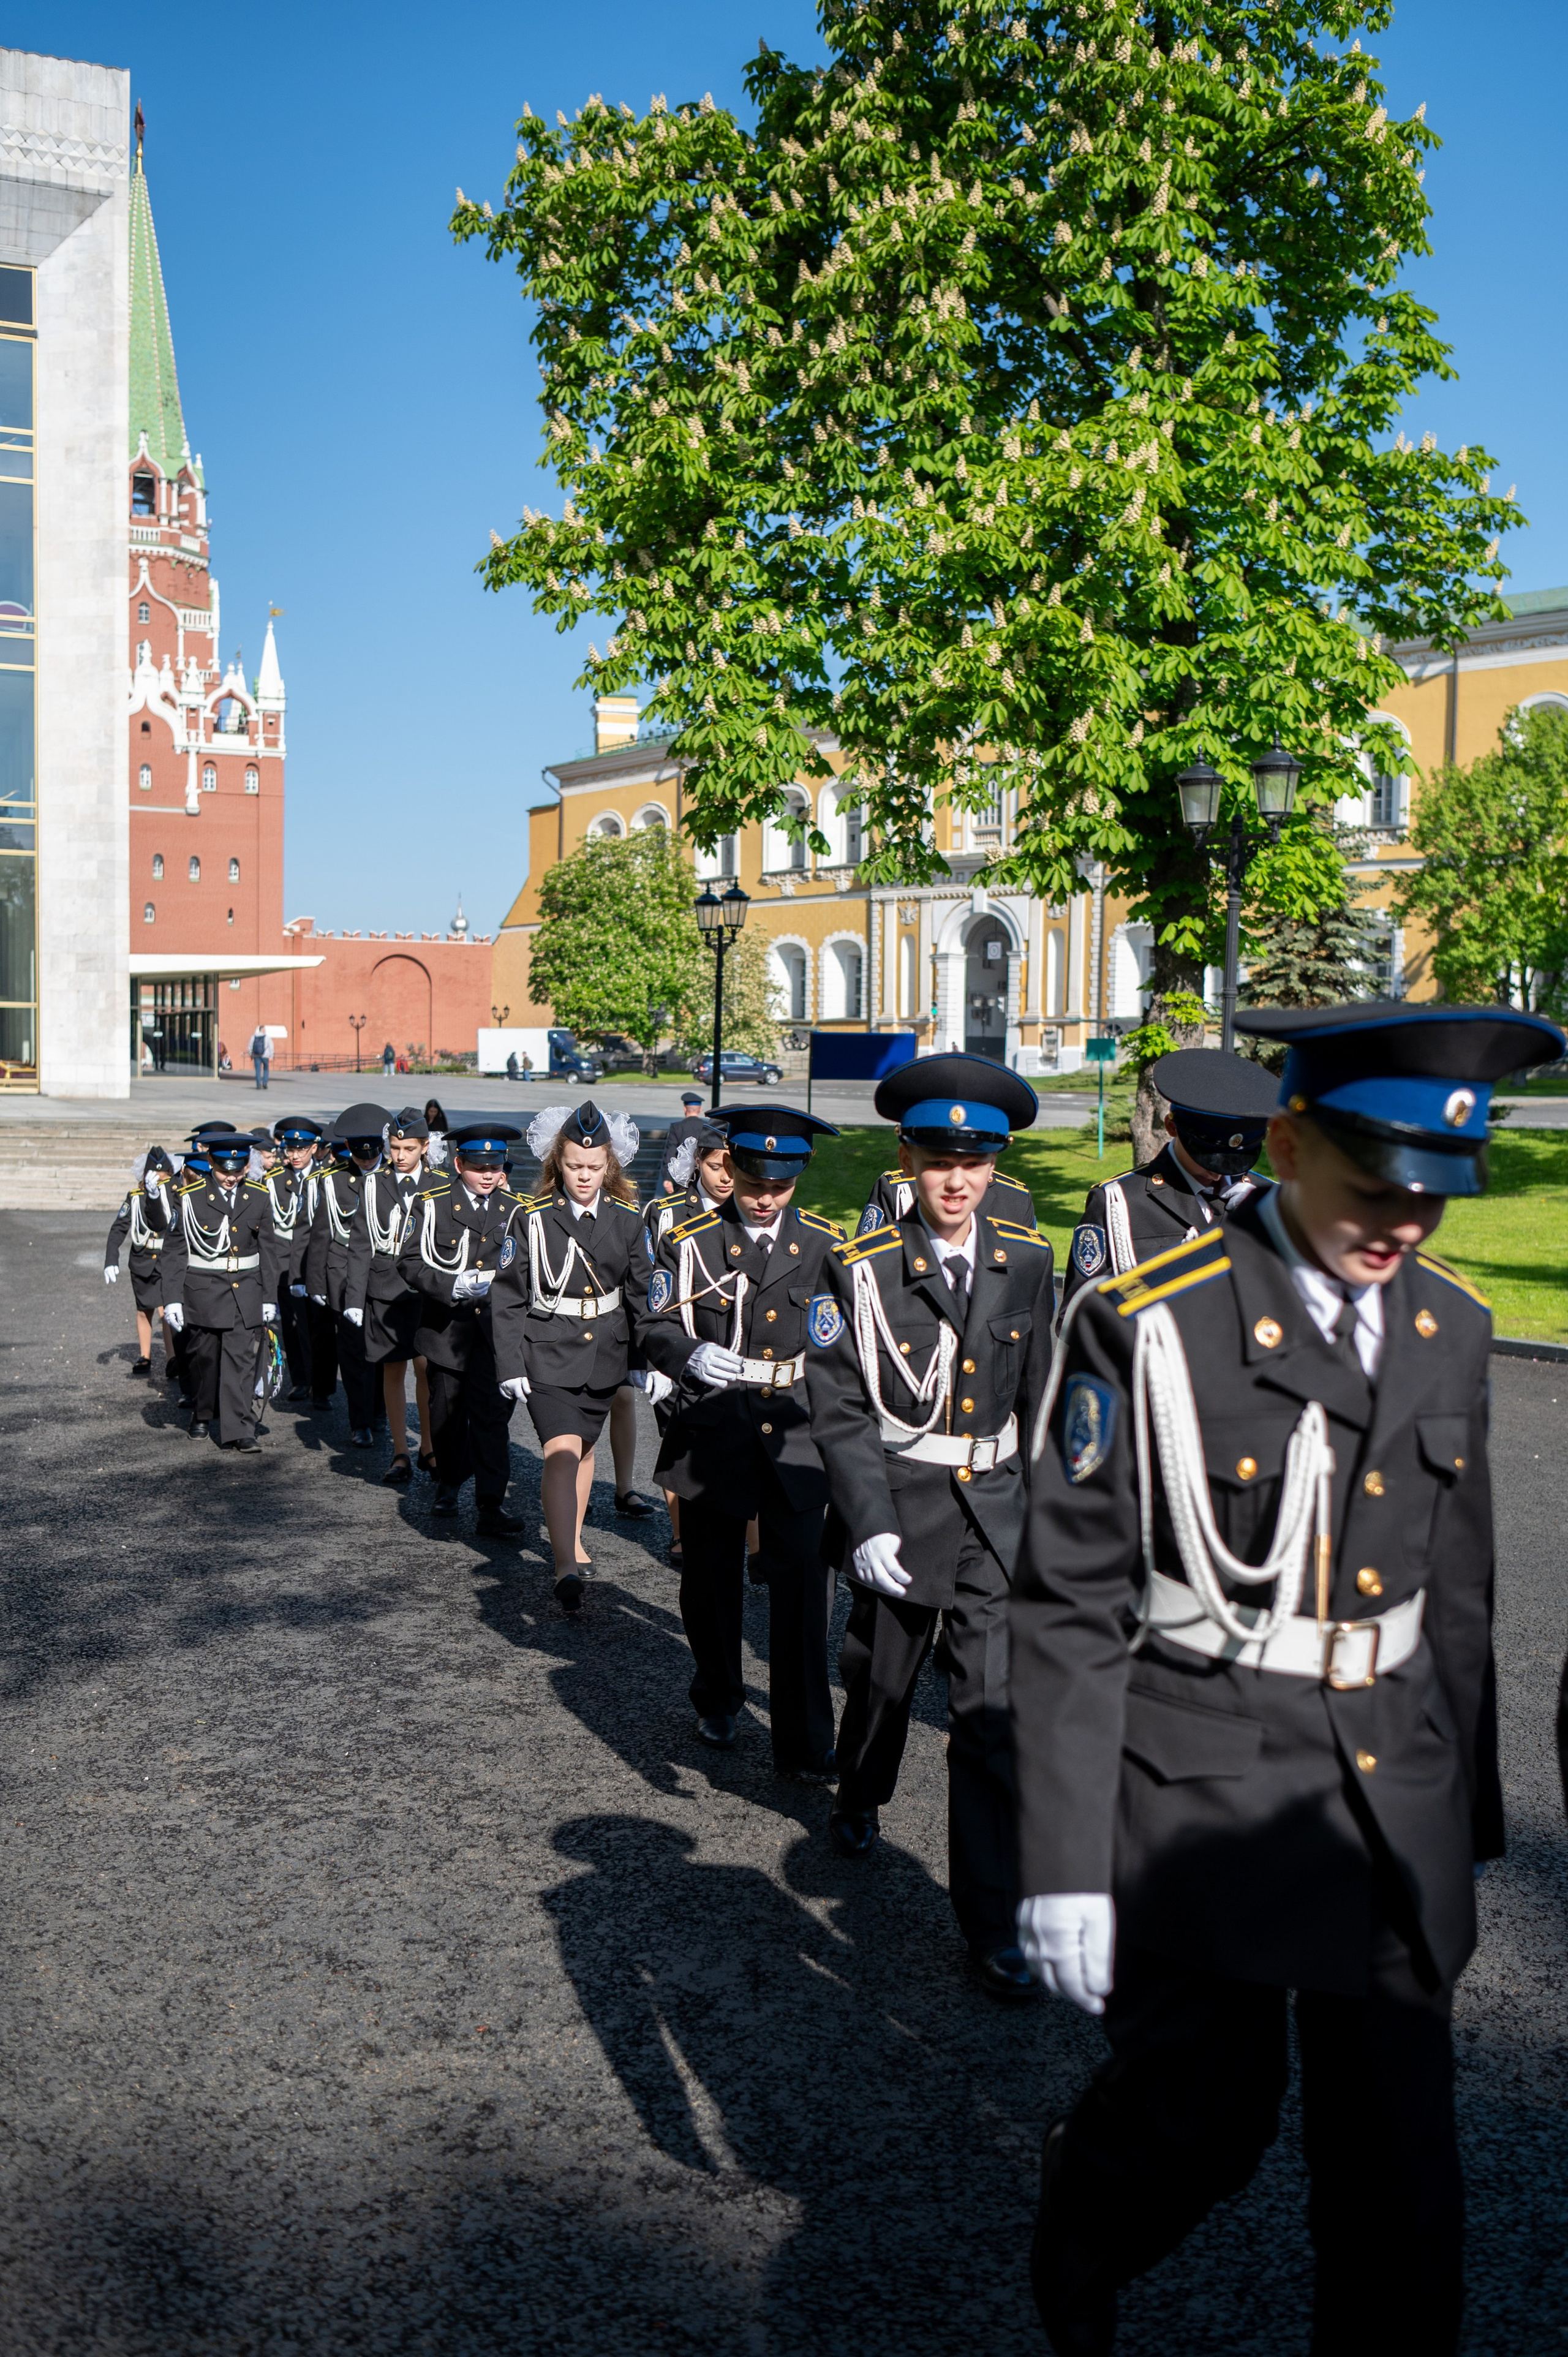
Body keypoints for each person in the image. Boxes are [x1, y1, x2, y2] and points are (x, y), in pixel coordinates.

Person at [1012, 998, 1564, 2357]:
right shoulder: (1149, 1323)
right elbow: (1071, 1604)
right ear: (1287, 1138)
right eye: (1373, 1185)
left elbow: (1457, 1594)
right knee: (1200, 2123)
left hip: (1383, 1807)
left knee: (1402, 2185)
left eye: (1432, 1196)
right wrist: (1064, 1855)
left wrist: (1462, 1824)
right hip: (1201, 1787)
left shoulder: (1444, 1322)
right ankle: (1080, 2228)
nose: (1399, 1225)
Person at [805, 1054, 1054, 1999]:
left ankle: (990, 1922)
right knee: (883, 1681)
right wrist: (864, 1517)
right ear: (905, 1158)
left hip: (994, 1513)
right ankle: (860, 1791)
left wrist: (1055, 1523)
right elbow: (839, 1407)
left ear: (996, 1165)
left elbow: (1041, 1397)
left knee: (989, 1719)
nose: (957, 1181)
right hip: (902, 1512)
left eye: (977, 1161)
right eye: (938, 1159)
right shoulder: (860, 1267)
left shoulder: (1027, 1262)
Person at [641, 1105, 844, 1774]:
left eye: (779, 1186)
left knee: (805, 1589)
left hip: (795, 1430)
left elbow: (845, 1346)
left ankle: (806, 1735)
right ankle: (720, 1694)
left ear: (799, 1178)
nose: (763, 1197)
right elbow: (654, 1321)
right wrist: (684, 1354)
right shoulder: (690, 1238)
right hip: (715, 1426)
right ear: (729, 1164)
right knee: (710, 1579)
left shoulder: (827, 1245)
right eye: (753, 1179)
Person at [488, 1102, 655, 1609]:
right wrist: (510, 1364)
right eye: (575, 1166)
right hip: (547, 1350)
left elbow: (644, 1293)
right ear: (557, 1165)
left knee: (584, 1448)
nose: (584, 1177)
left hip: (606, 1352)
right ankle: (564, 1564)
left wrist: (648, 1358)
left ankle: (573, 1538)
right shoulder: (531, 1219)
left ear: (610, 1167)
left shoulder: (628, 1221)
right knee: (560, 1447)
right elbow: (508, 1295)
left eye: (594, 1167)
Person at [1058, 1046, 1279, 1318]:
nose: (1219, 1174)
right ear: (1172, 1127)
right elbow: (1077, 1316)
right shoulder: (1121, 1202)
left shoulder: (1271, 1199)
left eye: (1238, 1158)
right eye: (1208, 1157)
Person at [397, 1119, 526, 1537]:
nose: (487, 1174)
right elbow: (409, 1262)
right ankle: (449, 1483)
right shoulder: (431, 1203)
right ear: (458, 1163)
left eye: (495, 1166)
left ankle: (491, 1503)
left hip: (496, 1334)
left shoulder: (518, 1209)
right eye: (477, 1166)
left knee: (493, 1420)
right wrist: (451, 1284)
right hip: (446, 1332)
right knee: (447, 1415)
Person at [646, 1121, 734, 1566]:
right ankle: (682, 1533)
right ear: (696, 1162)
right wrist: (658, 1359)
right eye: (716, 1166)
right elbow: (648, 1287)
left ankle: (750, 1543)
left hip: (730, 1347)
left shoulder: (748, 1210)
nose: (725, 1178)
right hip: (678, 1347)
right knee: (676, 1438)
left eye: (733, 1168)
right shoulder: (663, 1213)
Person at [159, 1129, 282, 1451]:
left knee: (240, 1361)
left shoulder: (259, 1196)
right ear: (211, 1162)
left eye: (238, 1170)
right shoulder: (190, 1197)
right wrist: (171, 1298)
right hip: (204, 1292)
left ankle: (241, 1429)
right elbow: (173, 1251)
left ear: (246, 1167)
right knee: (205, 1360)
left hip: (247, 1291)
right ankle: (202, 1413)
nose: (231, 1177)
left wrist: (270, 1297)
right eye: (224, 1170)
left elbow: (269, 1250)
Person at [345, 1106, 435, 1485]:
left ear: (425, 1147)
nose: (399, 1156)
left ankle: (429, 1446)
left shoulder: (442, 1184)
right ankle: (400, 1450)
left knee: (427, 1369)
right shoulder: (371, 1185)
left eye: (409, 1148)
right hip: (385, 1290)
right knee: (392, 1370)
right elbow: (360, 1245)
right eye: (395, 1147)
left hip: (429, 1291)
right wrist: (353, 1299)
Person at [304, 1101, 388, 1449]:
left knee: (383, 1350)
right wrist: (315, 1282)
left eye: (372, 1156)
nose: (366, 1161)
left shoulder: (393, 1178)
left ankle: (382, 1409)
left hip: (385, 1276)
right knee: (353, 1352)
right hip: (342, 1273)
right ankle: (361, 1421)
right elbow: (321, 1234)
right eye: (360, 1156)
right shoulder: (334, 1180)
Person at [262, 1116, 325, 1401]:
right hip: (284, 1261)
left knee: (319, 1323)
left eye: (301, 1149)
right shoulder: (274, 1181)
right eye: (290, 1149)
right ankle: (300, 1379)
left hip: (316, 1258)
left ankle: (322, 1385)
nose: (295, 1155)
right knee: (292, 1323)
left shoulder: (325, 1178)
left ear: (314, 1148)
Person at [103, 1145, 177, 1376]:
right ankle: (145, 1356)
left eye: (162, 1175)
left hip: (167, 1259)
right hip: (143, 1259)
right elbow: (119, 1229)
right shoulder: (135, 1197)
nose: (157, 1179)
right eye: (153, 1175)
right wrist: (111, 1259)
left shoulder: (175, 1193)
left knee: (168, 1310)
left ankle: (172, 1357)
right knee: (145, 1310)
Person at [658, 1091, 709, 1194]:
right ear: (700, 1109)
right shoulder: (707, 1127)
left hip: (682, 1178)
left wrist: (667, 1178)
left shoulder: (677, 1127)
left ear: (685, 1109)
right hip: (703, 1176)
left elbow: (670, 1153)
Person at [249, 1026, 270, 1090]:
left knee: (258, 1070)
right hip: (265, 1056)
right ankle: (265, 1083)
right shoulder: (267, 1037)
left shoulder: (254, 1037)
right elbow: (271, 1047)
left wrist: (251, 1055)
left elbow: (250, 1046)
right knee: (266, 1069)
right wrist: (271, 1056)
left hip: (256, 1055)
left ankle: (258, 1085)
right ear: (263, 1030)